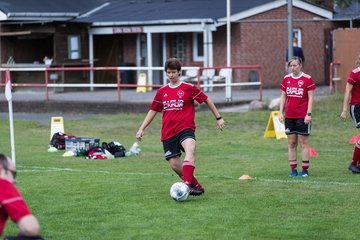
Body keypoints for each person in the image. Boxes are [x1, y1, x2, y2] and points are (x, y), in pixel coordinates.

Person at [136, 58, 225, 195]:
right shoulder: (162, 91)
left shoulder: (189, 88)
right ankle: (195, 185)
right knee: (175, 165)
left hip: (185, 128)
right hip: (168, 132)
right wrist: (142, 128)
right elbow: (153, 110)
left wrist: (218, 118)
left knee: (190, 149)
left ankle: (187, 185)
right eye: (168, 72)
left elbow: (206, 99)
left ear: (179, 72)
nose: (171, 75)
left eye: (173, 72)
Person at [279, 56, 316, 177]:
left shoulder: (307, 79)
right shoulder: (286, 79)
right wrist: (280, 112)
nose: (293, 68)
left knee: (303, 143)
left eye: (295, 65)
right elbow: (283, 96)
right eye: (291, 66)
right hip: (289, 116)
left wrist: (308, 114)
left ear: (300, 66)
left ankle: (304, 171)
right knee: (291, 143)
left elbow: (311, 97)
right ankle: (293, 170)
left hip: (302, 116)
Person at [0, 153, 43, 239]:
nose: (15, 180)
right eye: (13, 174)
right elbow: (31, 228)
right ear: (2, 169)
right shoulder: (3, 185)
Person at [340, 56, 360, 173]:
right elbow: (347, 91)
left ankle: (356, 165)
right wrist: (344, 110)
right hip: (357, 107)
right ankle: (353, 163)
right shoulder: (354, 73)